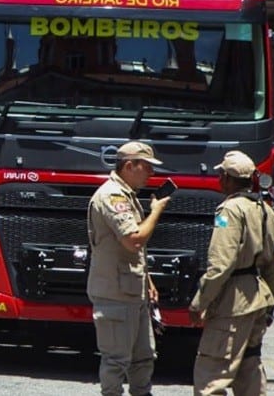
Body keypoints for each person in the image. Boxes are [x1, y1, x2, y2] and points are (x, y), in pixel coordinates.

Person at [189, 150, 274, 395]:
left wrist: (200, 302)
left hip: (232, 303)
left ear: (229, 179)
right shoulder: (265, 211)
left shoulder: (229, 211)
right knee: (249, 369)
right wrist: (271, 306)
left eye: (222, 174)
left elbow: (221, 264)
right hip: (257, 300)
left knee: (212, 374)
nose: (219, 179)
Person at [87, 140, 172, 396]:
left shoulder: (127, 194)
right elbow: (134, 240)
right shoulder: (112, 196)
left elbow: (132, 253)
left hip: (133, 292)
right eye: (146, 167)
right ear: (129, 165)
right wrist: (156, 212)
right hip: (116, 294)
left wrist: (148, 282)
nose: (151, 173)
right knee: (116, 361)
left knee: (144, 357)